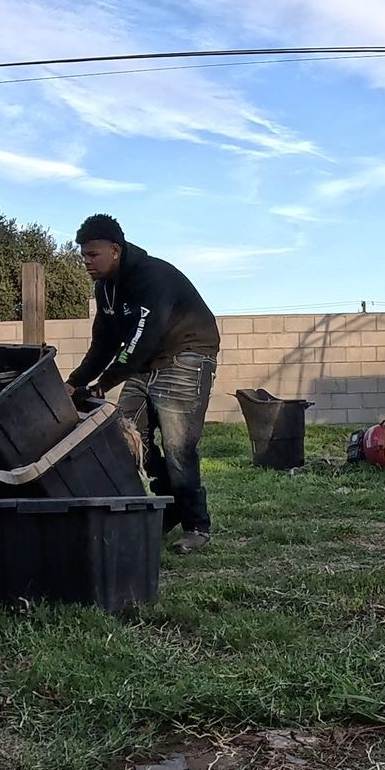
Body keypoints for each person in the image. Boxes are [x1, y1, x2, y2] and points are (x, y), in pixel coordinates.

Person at [67, 214, 222, 554]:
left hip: (186, 354)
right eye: (83, 256)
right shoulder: (105, 289)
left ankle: (196, 526)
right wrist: (74, 382)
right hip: (144, 362)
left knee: (178, 446)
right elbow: (104, 344)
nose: (86, 262)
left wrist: (103, 384)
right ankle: (169, 507)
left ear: (115, 250)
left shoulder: (151, 276)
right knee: (128, 439)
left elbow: (142, 338)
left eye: (93, 254)